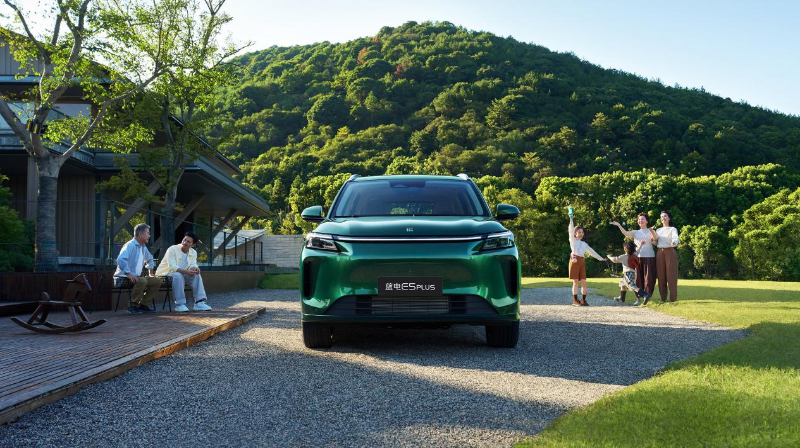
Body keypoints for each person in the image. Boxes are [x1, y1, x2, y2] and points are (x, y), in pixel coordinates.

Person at [155, 231, 212, 312]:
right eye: (184, 239)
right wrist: (186, 272)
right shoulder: (172, 249)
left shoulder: (193, 252)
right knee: (178, 275)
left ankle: (199, 303)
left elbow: (193, 264)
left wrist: (195, 268)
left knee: (196, 275)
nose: (185, 242)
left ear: (193, 245)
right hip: (164, 275)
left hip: (181, 275)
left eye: (188, 241)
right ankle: (180, 304)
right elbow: (172, 267)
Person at [114, 223, 162, 314]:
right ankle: (133, 305)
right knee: (142, 281)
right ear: (140, 234)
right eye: (148, 233)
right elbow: (121, 259)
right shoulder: (130, 245)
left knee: (157, 281)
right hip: (122, 278)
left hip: (135, 278)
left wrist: (151, 273)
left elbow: (150, 258)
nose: (149, 236)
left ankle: (144, 304)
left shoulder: (143, 247)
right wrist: (128, 273)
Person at [611, 213, 657, 296]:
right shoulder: (635, 232)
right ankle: (639, 296)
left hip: (649, 257)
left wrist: (652, 232)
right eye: (639, 219)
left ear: (647, 221)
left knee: (649, 279)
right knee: (637, 279)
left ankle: (648, 295)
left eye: (642, 219)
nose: (640, 221)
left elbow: (655, 242)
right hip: (637, 258)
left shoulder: (650, 231)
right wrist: (619, 225)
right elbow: (626, 233)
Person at [568, 216, 607, 306]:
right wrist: (571, 220)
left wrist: (601, 258)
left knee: (584, 282)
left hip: (582, 262)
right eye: (579, 232)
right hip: (574, 261)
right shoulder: (573, 241)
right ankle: (575, 300)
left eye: (582, 232)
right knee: (575, 282)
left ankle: (583, 300)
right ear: (575, 234)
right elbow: (570, 230)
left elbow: (592, 252)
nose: (581, 234)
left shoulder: (584, 244)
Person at [607, 241, 652, 306]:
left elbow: (615, 260)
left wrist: (609, 257)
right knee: (622, 283)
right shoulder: (635, 254)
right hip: (632, 273)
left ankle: (645, 294)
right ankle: (622, 298)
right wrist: (641, 245)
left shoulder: (624, 256)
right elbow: (638, 251)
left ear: (625, 248)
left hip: (628, 273)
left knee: (632, 285)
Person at [650, 210, 680, 302]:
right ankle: (663, 298)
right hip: (660, 252)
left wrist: (674, 242)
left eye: (665, 216)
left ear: (669, 218)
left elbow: (675, 238)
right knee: (661, 276)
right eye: (661, 216)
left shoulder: (672, 229)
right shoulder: (658, 230)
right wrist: (652, 239)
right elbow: (656, 242)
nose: (663, 218)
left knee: (671, 276)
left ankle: (673, 299)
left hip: (670, 251)